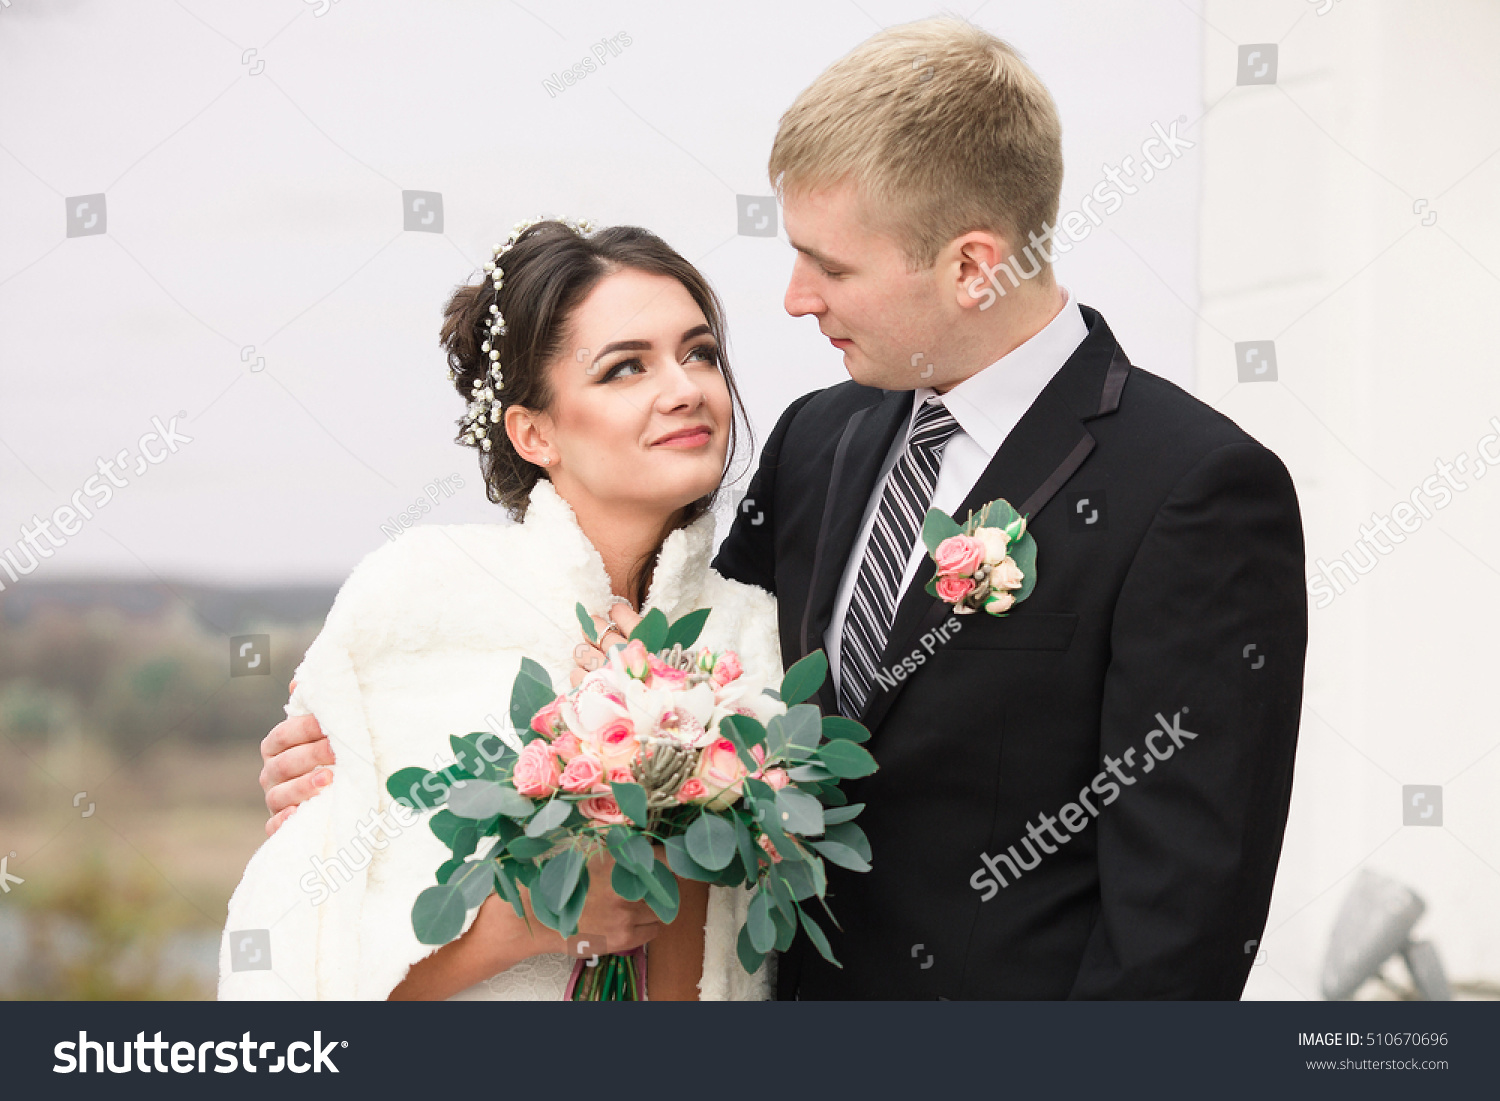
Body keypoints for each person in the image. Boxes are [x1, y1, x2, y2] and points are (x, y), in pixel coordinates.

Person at [263, 17, 1307, 999]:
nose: (794, 297)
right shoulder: (821, 438)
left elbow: (1182, 928)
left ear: (974, 266)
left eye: (830, 263)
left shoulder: (1194, 492)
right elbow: (705, 672)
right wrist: (360, 771)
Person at [222, 219, 777, 1001]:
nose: (685, 387)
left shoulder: (756, 632)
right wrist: (537, 920)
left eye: (700, 353)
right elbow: (292, 968)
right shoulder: (417, 597)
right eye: (625, 368)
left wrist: (670, 742)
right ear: (533, 430)